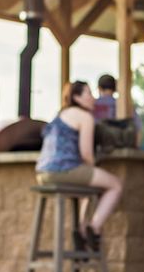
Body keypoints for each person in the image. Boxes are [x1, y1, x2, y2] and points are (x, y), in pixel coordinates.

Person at [34, 80, 122, 252]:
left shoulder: (60, 115)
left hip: (42, 172)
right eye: (88, 94)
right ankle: (94, 227)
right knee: (115, 185)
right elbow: (86, 154)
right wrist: (94, 167)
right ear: (76, 97)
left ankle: (81, 229)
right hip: (64, 169)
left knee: (87, 186)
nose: (93, 98)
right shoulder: (85, 117)